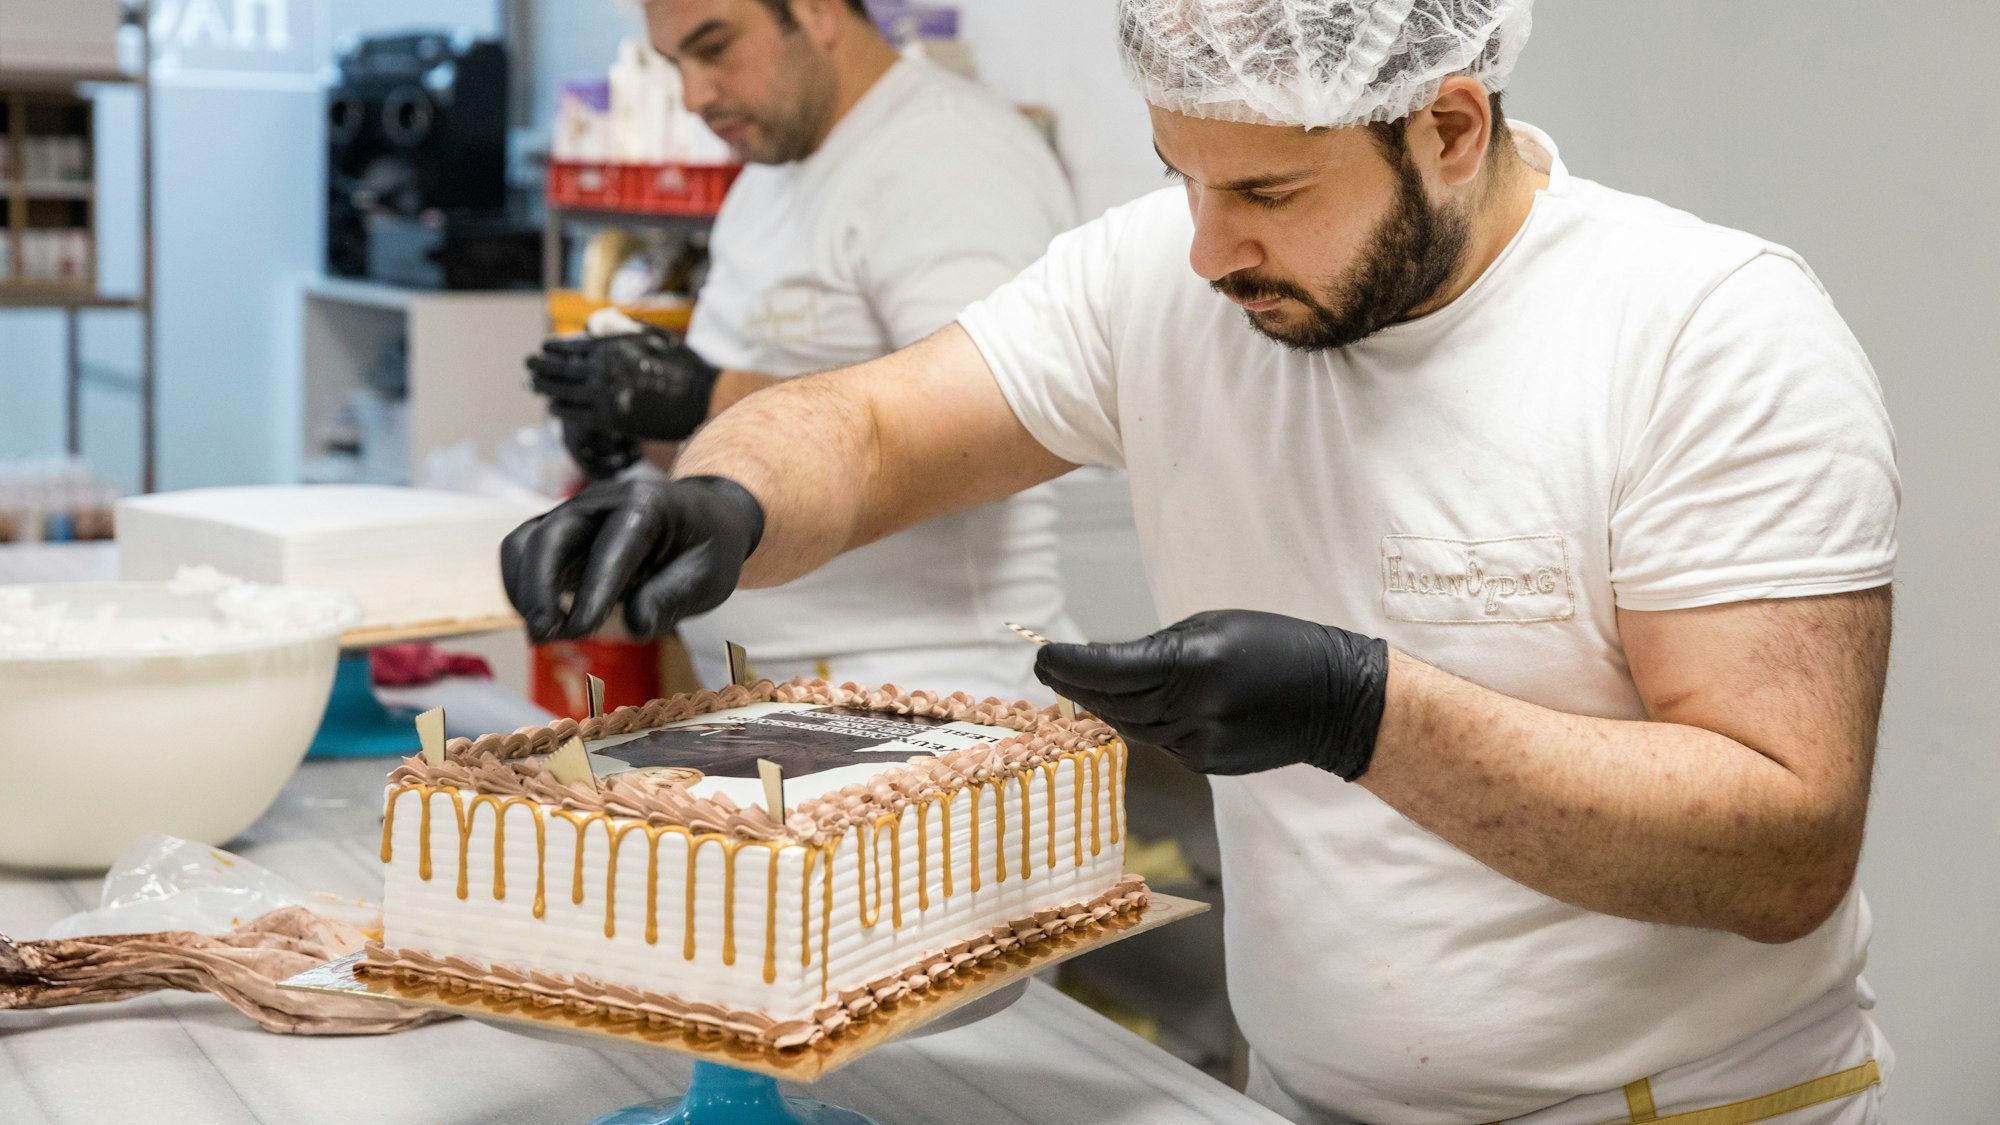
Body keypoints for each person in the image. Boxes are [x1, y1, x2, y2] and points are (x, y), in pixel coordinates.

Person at [502, 1, 1901, 1121]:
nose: (1210, 248)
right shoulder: (1157, 283)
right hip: (1302, 1091)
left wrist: (1364, 712)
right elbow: (871, 427)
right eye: (1181, 176)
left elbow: (1783, 848)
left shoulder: (1704, 334)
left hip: (1673, 1105)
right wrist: (727, 495)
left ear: (1449, 127)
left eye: (1269, 189)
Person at [524, 0, 1080, 700]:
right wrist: (641, 427)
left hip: (936, 691)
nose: (693, 96)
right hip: (795, 696)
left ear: (817, 11)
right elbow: (750, 453)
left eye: (715, 48)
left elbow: (994, 425)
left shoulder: (948, 155)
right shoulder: (770, 171)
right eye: (673, 65)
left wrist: (705, 395)